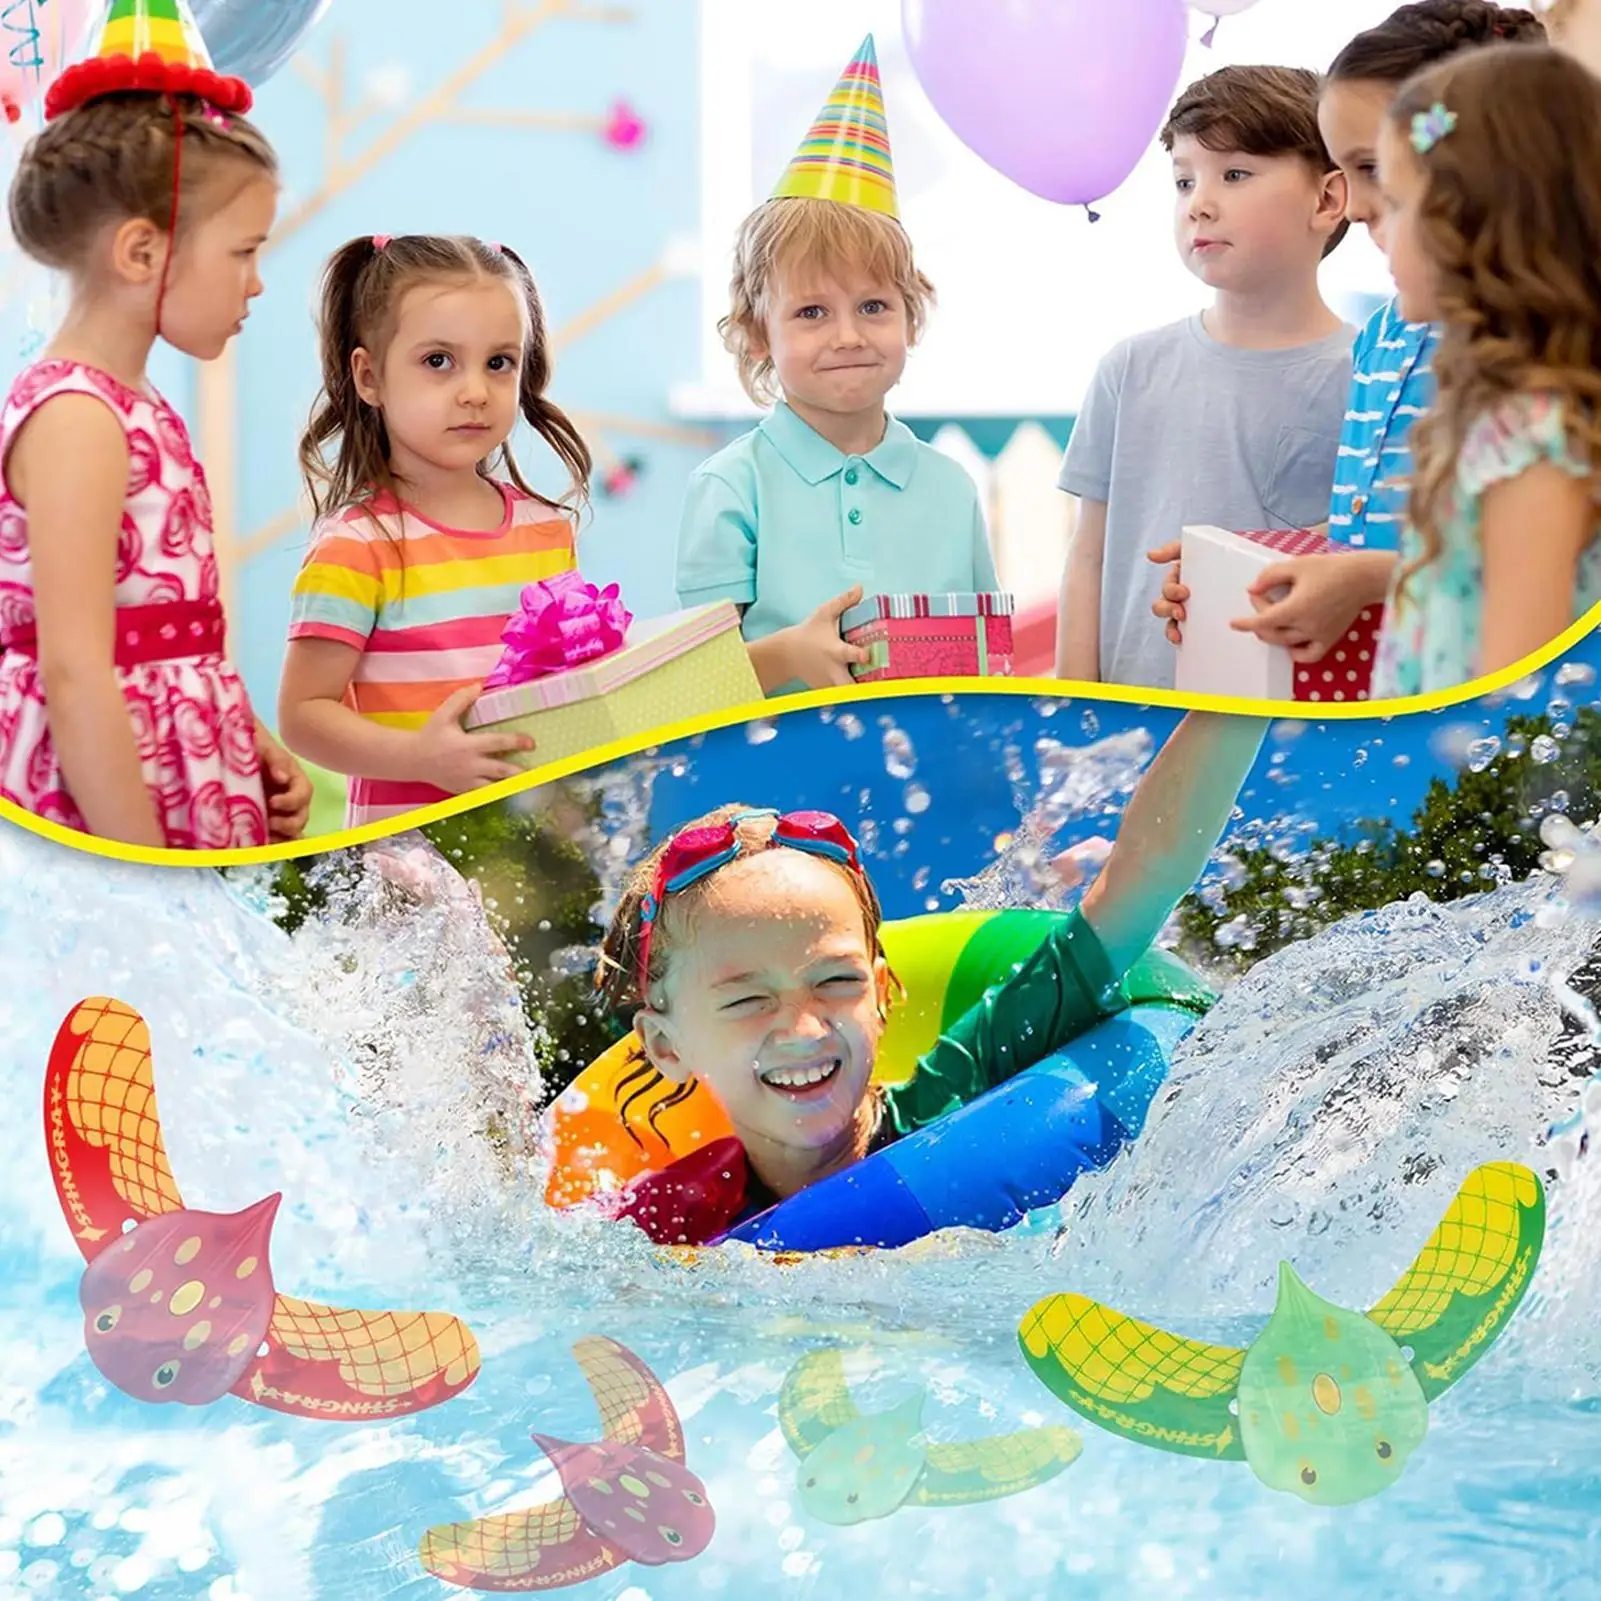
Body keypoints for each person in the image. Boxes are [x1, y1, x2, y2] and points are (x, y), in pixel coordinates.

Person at [589, 711, 1266, 1246]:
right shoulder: (661, 1224)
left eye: (834, 982)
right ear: (665, 1045)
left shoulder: (961, 1093)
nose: (802, 1025)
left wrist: (1240, 689)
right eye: (745, 998)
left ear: (882, 995)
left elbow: (1140, 882)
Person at [1150, 2, 1546, 667]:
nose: (1353, 203)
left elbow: (1536, 558)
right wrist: (1250, 566)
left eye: (1370, 166)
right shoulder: (1385, 335)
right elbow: (1373, 530)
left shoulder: (1542, 346)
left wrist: (1365, 580)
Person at [0, 0, 311, 849]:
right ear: (141, 252)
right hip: (103, 807)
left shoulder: (135, 407)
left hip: (168, 774)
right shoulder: (77, 419)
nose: (255, 284)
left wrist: (240, 730)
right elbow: (73, 669)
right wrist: (138, 872)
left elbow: (163, 620)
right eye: (243, 252)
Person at [676, 38, 997, 699]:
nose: (847, 335)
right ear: (755, 334)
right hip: (772, 791)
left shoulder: (950, 489)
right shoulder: (731, 488)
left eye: (873, 305)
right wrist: (784, 655)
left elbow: (983, 669)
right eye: (811, 312)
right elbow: (689, 691)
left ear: (911, 318)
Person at [1053, 64, 1354, 691]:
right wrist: (1074, 707)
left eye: (1235, 174)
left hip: (1286, 729)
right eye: (1184, 181)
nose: (1200, 204)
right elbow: (1089, 557)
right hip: (1130, 724)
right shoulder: (1129, 369)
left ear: (1327, 199)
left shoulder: (1366, 378)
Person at [278, 234, 592, 830]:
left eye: (499, 363)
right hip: (406, 866)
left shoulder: (548, 533)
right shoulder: (357, 546)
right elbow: (303, 716)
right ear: (369, 377)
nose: (475, 391)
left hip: (537, 852)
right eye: (438, 361)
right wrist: (419, 757)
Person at [1369, 43, 1601, 694]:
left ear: (1468, 218)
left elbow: (1510, 703)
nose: (1379, 231)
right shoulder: (1493, 413)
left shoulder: (1533, 436)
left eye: (1394, 202)